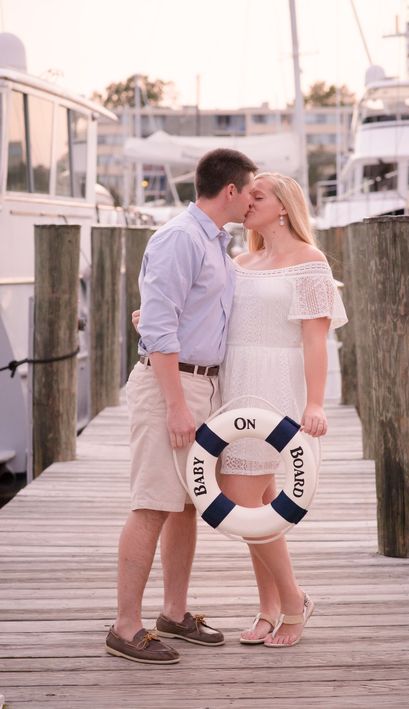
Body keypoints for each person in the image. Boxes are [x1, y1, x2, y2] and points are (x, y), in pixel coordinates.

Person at [105, 148, 257, 664]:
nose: (252, 198)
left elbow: (172, 312)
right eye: (249, 190)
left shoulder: (217, 242)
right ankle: (125, 626)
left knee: (187, 503)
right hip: (171, 387)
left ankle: (173, 612)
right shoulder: (178, 237)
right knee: (152, 503)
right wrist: (174, 405)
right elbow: (162, 328)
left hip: (205, 387)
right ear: (230, 191)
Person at [217, 172, 347, 648]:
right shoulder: (239, 261)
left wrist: (315, 402)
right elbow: (212, 316)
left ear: (285, 206)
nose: (247, 202)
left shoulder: (310, 262)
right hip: (236, 382)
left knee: (241, 497)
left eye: (257, 196)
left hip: (278, 385)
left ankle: (293, 602)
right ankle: (269, 608)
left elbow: (316, 340)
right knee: (259, 502)